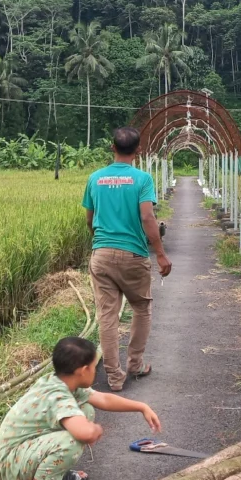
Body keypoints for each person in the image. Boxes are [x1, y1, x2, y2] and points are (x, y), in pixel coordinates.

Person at [0, 336, 161, 480]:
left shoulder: (63, 382)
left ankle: (53, 476)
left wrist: (141, 406)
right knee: (71, 441)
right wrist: (95, 430)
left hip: (26, 451)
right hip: (11, 463)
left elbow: (103, 399)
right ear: (83, 371)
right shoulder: (58, 396)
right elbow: (84, 434)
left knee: (85, 411)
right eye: (94, 367)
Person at [82, 126, 173, 392]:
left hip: (101, 254)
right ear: (138, 151)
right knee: (141, 308)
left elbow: (89, 219)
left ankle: (114, 376)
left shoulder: (95, 178)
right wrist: (160, 253)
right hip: (133, 254)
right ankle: (135, 365)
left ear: (112, 148)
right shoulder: (142, 179)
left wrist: (100, 242)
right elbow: (147, 217)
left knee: (107, 316)